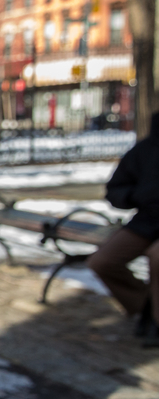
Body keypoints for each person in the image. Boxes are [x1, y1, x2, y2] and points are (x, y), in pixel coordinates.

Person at [88, 112, 159, 347]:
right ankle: (145, 305)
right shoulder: (145, 150)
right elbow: (115, 189)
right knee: (102, 262)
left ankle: (156, 324)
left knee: (157, 257)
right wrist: (135, 196)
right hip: (147, 222)